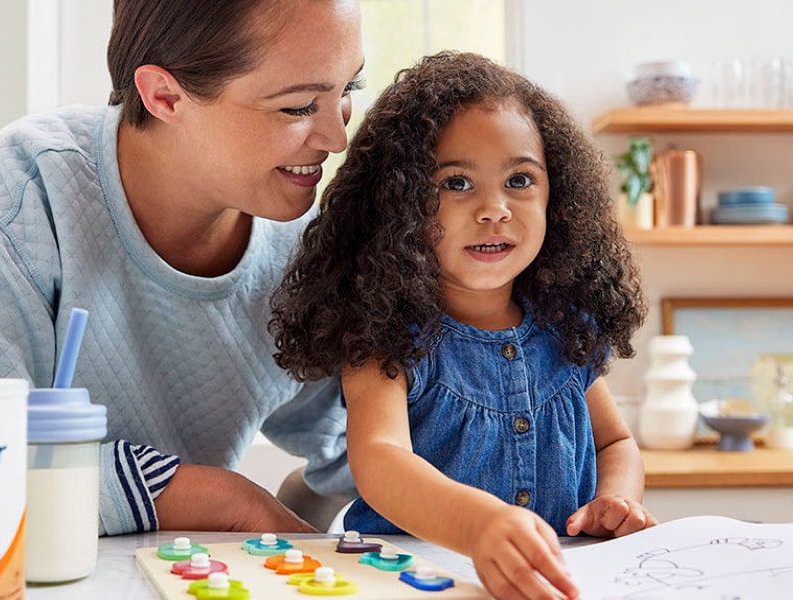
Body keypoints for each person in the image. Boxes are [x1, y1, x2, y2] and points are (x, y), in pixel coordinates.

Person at [0, 0, 363, 536]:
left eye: (348, 90)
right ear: (164, 95)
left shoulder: (300, 248)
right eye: (298, 107)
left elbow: (355, 442)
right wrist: (217, 500)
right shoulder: (30, 196)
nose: (337, 137)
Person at [268, 51, 657, 600]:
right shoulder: (386, 334)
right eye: (456, 184)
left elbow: (615, 442)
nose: (494, 209)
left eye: (520, 179)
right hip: (407, 581)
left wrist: (616, 502)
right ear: (399, 203)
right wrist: (478, 527)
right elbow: (380, 459)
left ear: (558, 197)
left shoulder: (565, 329)